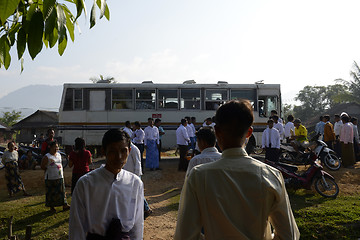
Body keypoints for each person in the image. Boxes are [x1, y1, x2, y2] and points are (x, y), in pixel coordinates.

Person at [175, 100, 299, 240]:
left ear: (216, 132)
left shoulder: (198, 176)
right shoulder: (271, 175)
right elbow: (288, 235)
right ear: (249, 133)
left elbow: (185, 235)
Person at [69, 129, 144, 239]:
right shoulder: (86, 184)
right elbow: (76, 227)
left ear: (129, 151)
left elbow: (137, 225)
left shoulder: (135, 183)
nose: (119, 157)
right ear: (103, 151)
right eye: (113, 151)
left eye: (123, 151)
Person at [122, 143, 153, 219]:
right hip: (127, 174)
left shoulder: (134, 149)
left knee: (138, 194)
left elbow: (137, 163)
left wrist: (136, 177)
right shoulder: (125, 149)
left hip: (134, 175)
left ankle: (146, 209)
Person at [41, 141, 70, 212]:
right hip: (50, 177)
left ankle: (64, 205)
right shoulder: (47, 156)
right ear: (50, 147)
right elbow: (42, 166)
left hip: (59, 176)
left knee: (61, 192)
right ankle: (52, 207)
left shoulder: (59, 155)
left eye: (57, 147)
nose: (56, 148)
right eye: (55, 147)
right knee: (51, 192)